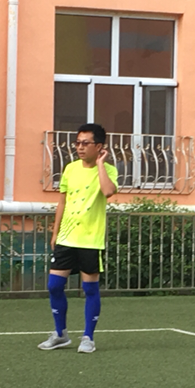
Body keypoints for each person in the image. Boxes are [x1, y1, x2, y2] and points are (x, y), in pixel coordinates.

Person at [38, 123, 119, 354]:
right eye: (77, 143)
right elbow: (62, 201)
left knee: (90, 289)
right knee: (54, 286)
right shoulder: (70, 169)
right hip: (66, 238)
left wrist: (101, 164)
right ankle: (60, 334)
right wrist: (55, 232)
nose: (80, 148)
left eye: (86, 143)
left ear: (99, 146)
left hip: (90, 241)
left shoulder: (108, 170)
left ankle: (88, 337)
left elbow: (108, 191)